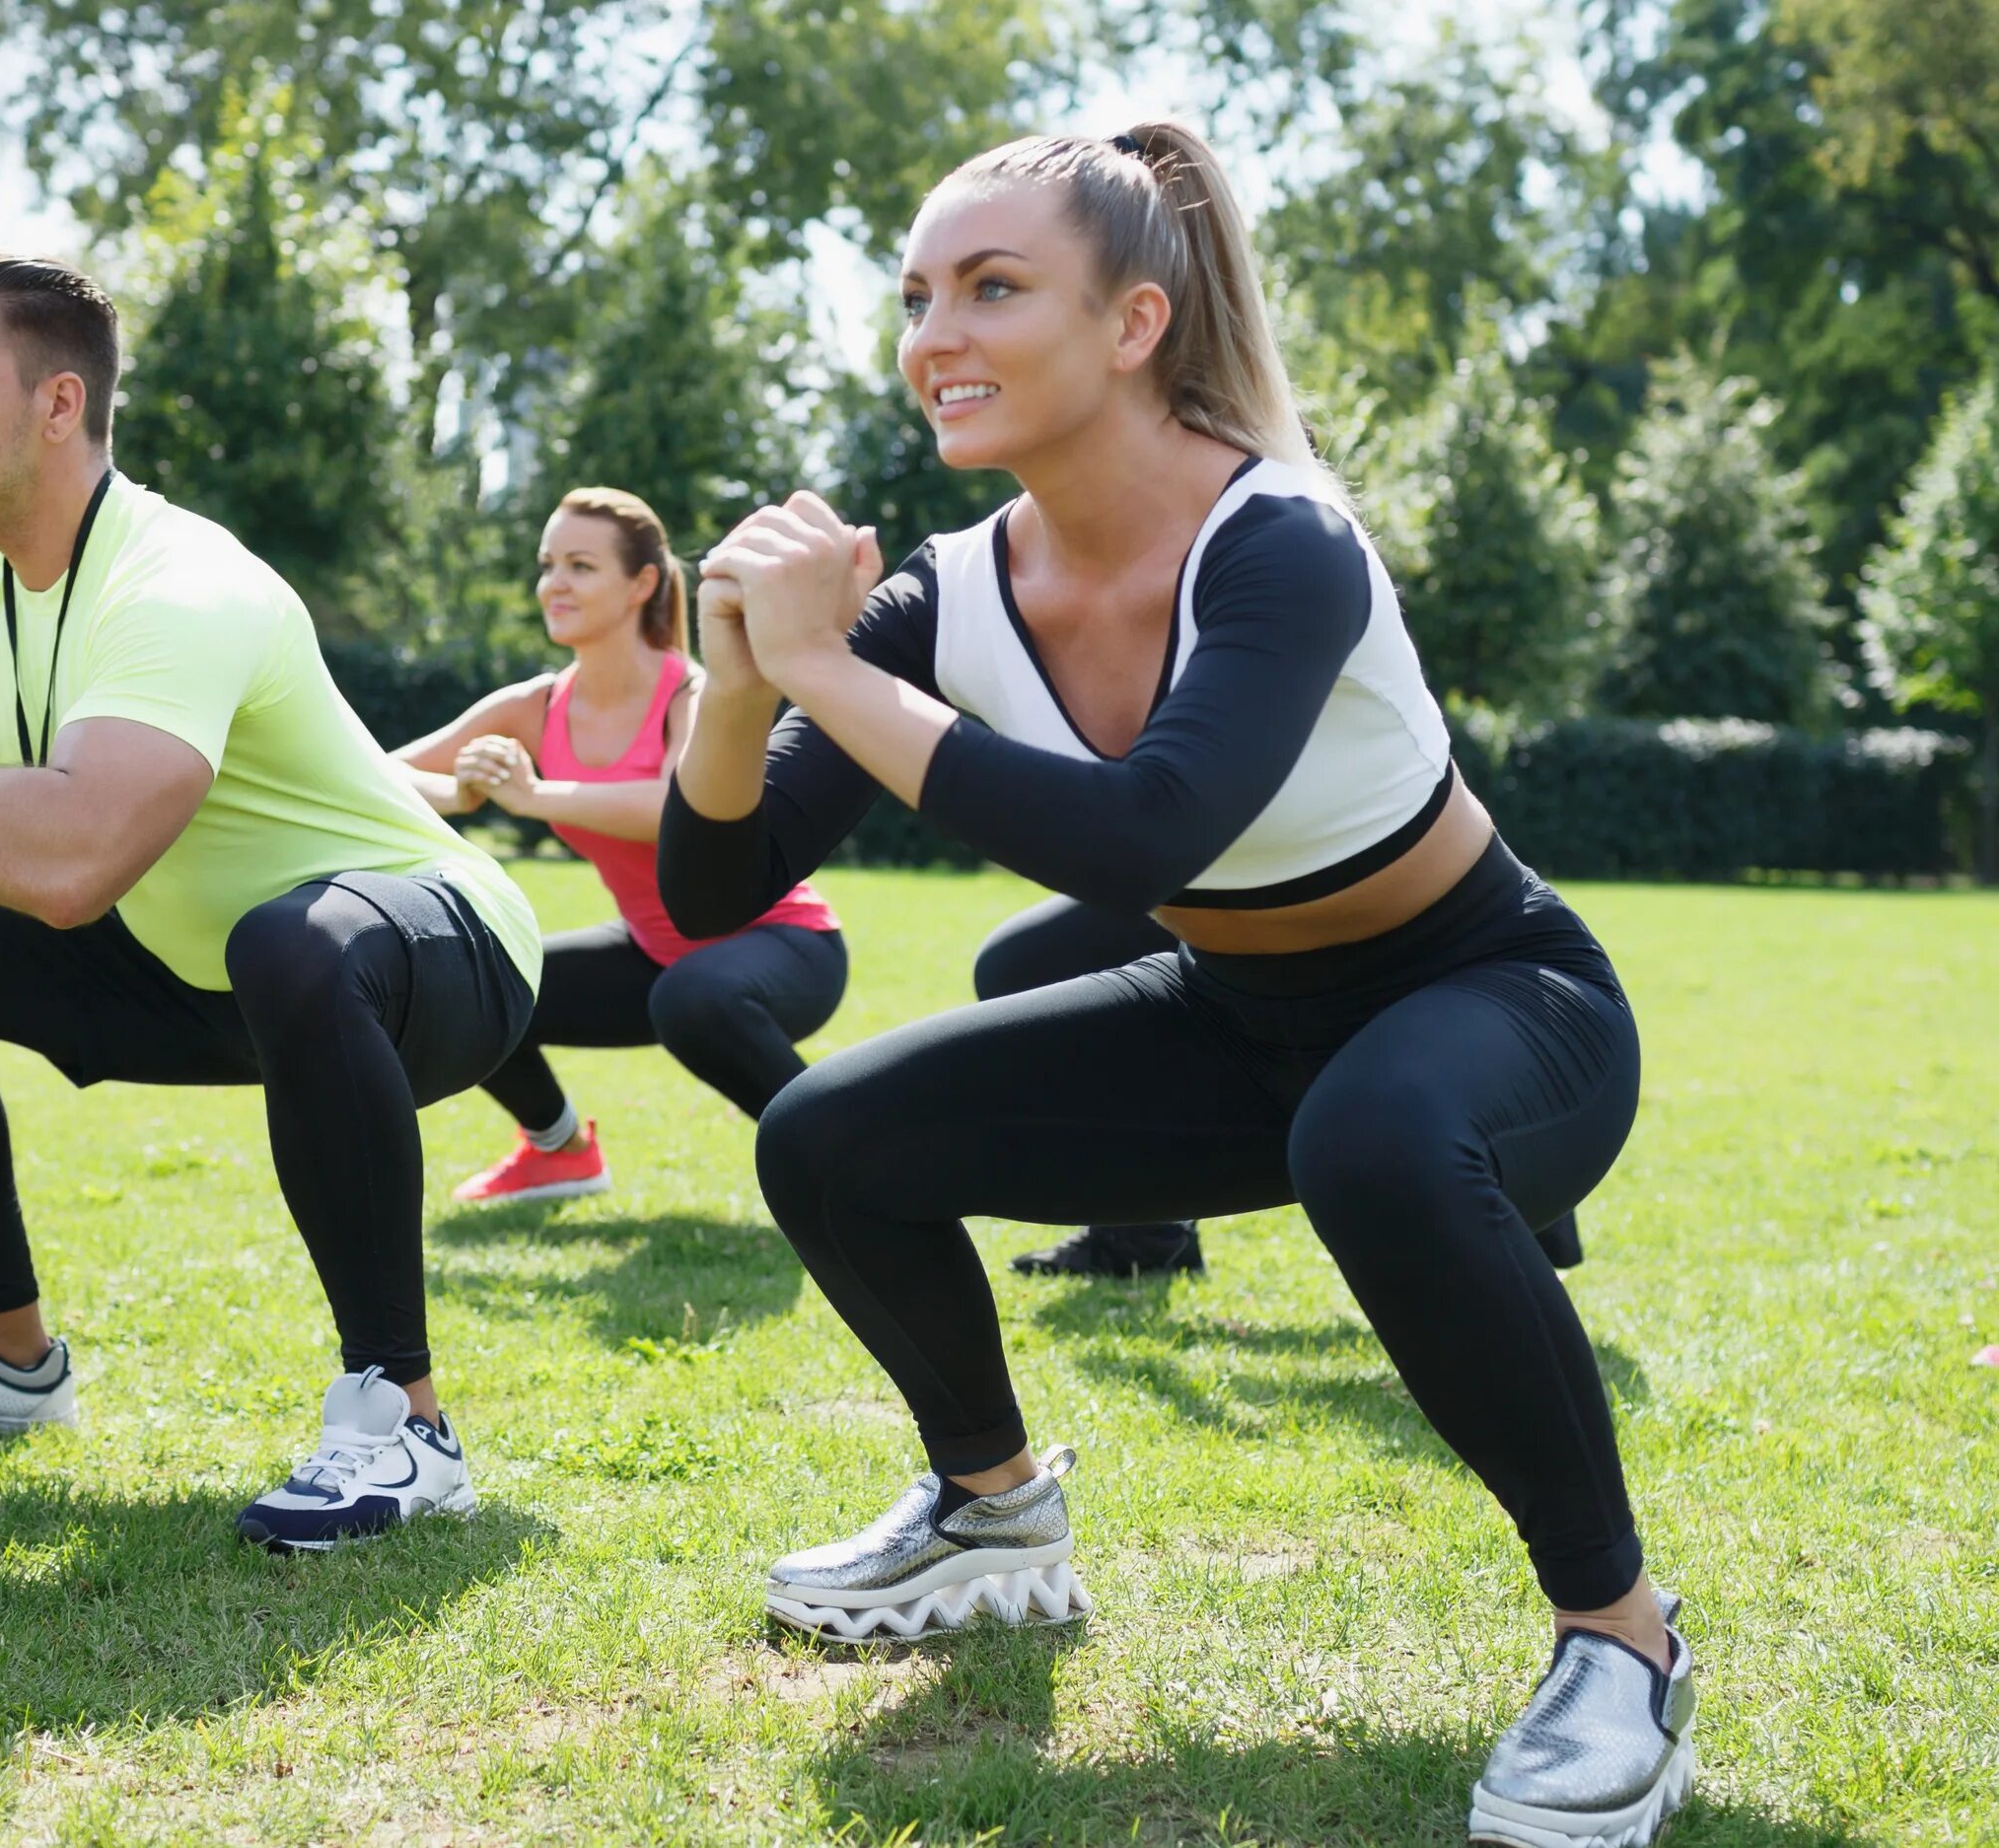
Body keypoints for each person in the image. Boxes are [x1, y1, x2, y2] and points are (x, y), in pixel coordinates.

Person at [660, 127, 1692, 1848]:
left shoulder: (1282, 537)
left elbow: (1147, 829)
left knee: (1374, 1135)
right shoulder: (944, 589)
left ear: (1136, 321)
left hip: (1500, 995)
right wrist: (732, 677)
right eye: (918, 295)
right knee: (829, 1136)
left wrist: (829, 667)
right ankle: (991, 1514)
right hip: (1236, 1018)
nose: (936, 335)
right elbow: (713, 884)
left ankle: (1622, 1638)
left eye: (994, 288)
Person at [0, 254, 543, 1553]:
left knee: (292, 942)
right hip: (211, 966)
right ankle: (0, 1349)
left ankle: (403, 1423)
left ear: (56, 405)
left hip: (441, 952)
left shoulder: (179, 580)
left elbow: (68, 865)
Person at [388, 487, 845, 1204]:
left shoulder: (692, 694)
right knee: (469, 986)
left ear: (642, 584)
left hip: (784, 946)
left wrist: (533, 796)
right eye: (547, 565)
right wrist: (464, 790)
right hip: (656, 956)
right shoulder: (533, 706)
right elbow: (383, 773)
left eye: (579, 565)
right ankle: (558, 1149)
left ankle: (850, 1163)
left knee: (691, 999)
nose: (554, 584)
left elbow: (680, 806)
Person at [974, 896, 1584, 1278]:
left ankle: (1503, 1182)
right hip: (1198, 853)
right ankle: (1144, 1232)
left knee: (1341, 1018)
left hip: (1309, 854)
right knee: (1019, 964)